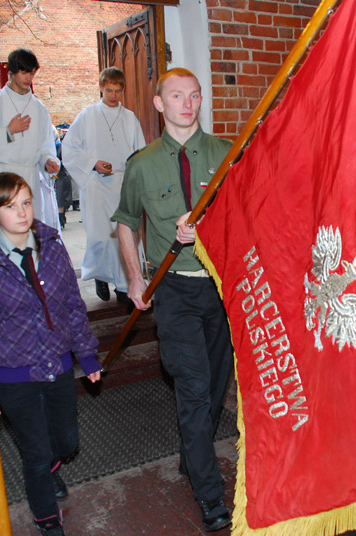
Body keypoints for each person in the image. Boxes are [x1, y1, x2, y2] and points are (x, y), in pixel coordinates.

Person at [111, 68, 233, 532]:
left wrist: (211, 228)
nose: (188, 103)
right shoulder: (142, 164)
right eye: (177, 96)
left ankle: (191, 455)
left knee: (215, 385)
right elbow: (126, 221)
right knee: (194, 389)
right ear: (160, 104)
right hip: (174, 290)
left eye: (195, 95)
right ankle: (209, 493)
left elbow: (245, 212)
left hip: (219, 287)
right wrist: (134, 277)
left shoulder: (225, 153)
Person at [0, 172, 101, 536]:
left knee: (66, 442)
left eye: (26, 203)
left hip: (56, 363)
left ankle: (49, 467)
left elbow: (72, 305)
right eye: (10, 206)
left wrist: (86, 355)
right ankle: (46, 517)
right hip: (13, 374)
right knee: (35, 450)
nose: (21, 213)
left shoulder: (52, 246)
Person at [62, 67, 146, 304]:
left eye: (117, 91)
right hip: (96, 185)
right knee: (100, 237)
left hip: (122, 184)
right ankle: (100, 276)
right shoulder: (87, 115)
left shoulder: (129, 118)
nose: (113, 96)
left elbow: (140, 152)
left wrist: (134, 179)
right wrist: (93, 163)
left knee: (124, 237)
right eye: (109, 90)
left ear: (123, 90)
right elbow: (69, 148)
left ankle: (124, 285)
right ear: (100, 88)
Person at [0, 48, 61, 229]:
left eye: (32, 73)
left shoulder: (39, 108)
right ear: (11, 71)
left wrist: (48, 161)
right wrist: (8, 131)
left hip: (30, 178)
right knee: (5, 230)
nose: (29, 78)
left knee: (29, 230)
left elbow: (45, 145)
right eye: (24, 72)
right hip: (2, 175)